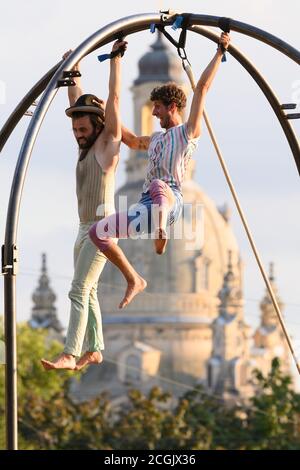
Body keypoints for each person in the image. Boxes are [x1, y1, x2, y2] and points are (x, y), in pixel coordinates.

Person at [89, 32, 230, 310]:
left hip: (171, 199)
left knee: (159, 187)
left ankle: (161, 229)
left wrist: (218, 52)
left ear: (172, 107)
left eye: (157, 108)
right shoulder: (154, 141)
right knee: (98, 232)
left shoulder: (187, 133)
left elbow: (201, 89)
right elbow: (128, 138)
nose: (153, 113)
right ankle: (134, 279)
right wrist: (104, 111)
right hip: (147, 206)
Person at [41, 40, 127, 371]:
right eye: (74, 129)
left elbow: (114, 100)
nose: (77, 134)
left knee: (77, 289)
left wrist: (115, 61)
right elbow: (78, 102)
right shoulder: (84, 146)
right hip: (83, 226)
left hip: (101, 226)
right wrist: (72, 71)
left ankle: (70, 353)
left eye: (82, 128)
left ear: (98, 127)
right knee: (88, 291)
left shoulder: (107, 147)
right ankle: (94, 347)